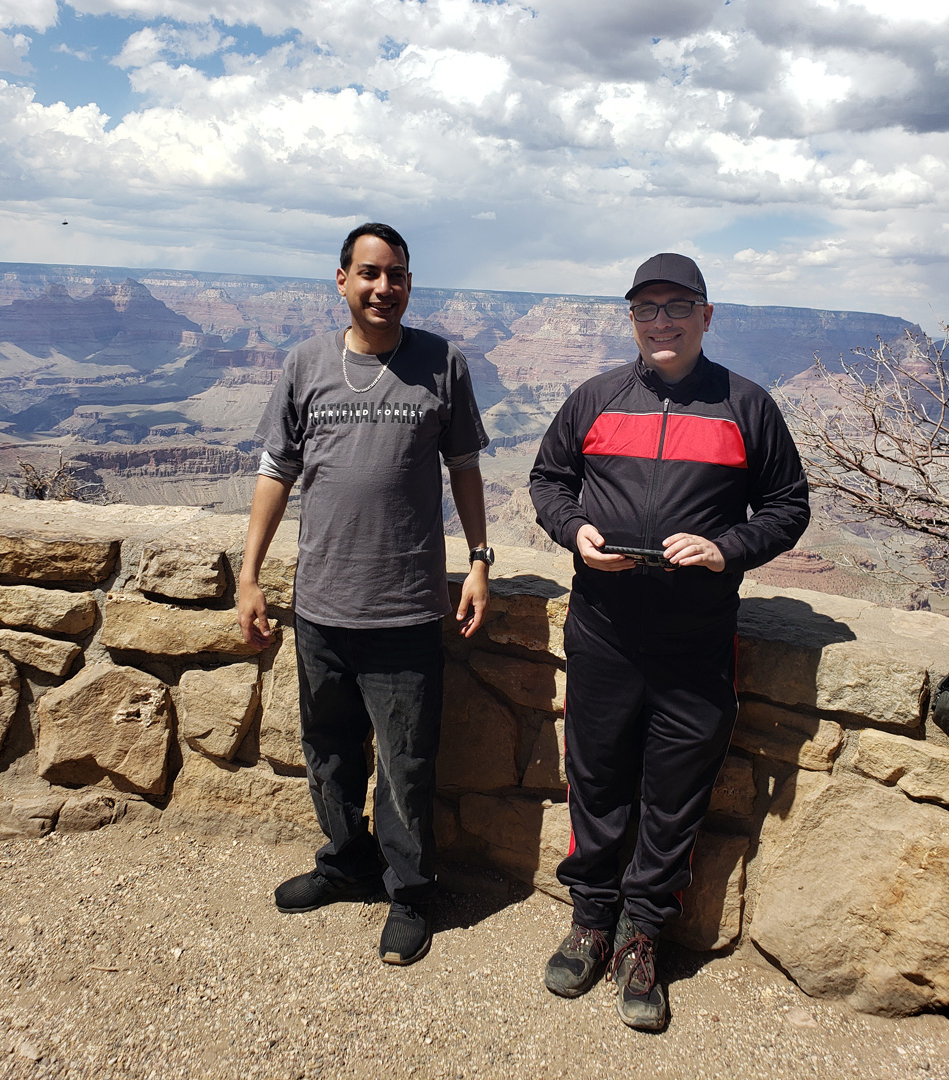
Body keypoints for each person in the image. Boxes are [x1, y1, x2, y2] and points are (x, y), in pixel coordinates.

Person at [529, 252, 809, 1030]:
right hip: (604, 632)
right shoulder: (595, 397)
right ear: (631, 319)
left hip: (696, 641)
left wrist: (727, 549)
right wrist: (576, 531)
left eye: (677, 306)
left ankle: (643, 936)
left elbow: (788, 506)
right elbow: (547, 482)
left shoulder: (745, 406)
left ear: (706, 315)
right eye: (647, 308)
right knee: (597, 783)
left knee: (674, 797)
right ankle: (590, 922)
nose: (662, 321)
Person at [237, 223, 492, 967]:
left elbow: (467, 469)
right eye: (371, 273)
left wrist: (478, 561)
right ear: (342, 279)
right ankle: (348, 863)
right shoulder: (305, 364)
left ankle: (410, 893)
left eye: (399, 275)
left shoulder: (442, 362)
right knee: (329, 754)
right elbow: (274, 472)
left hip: (408, 606)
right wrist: (251, 577)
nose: (386, 287)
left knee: (407, 764)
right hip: (321, 604)